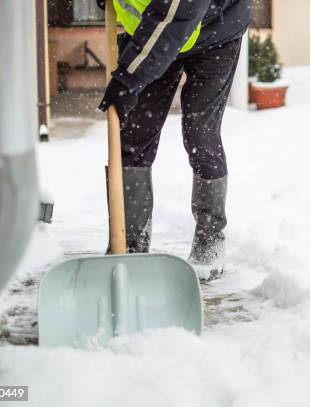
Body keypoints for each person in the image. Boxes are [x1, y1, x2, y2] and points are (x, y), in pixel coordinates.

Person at [97, 0, 252, 281]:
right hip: (152, 29)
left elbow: (178, 14)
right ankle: (129, 242)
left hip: (215, 31)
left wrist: (128, 78)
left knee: (200, 134)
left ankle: (210, 238)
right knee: (134, 136)